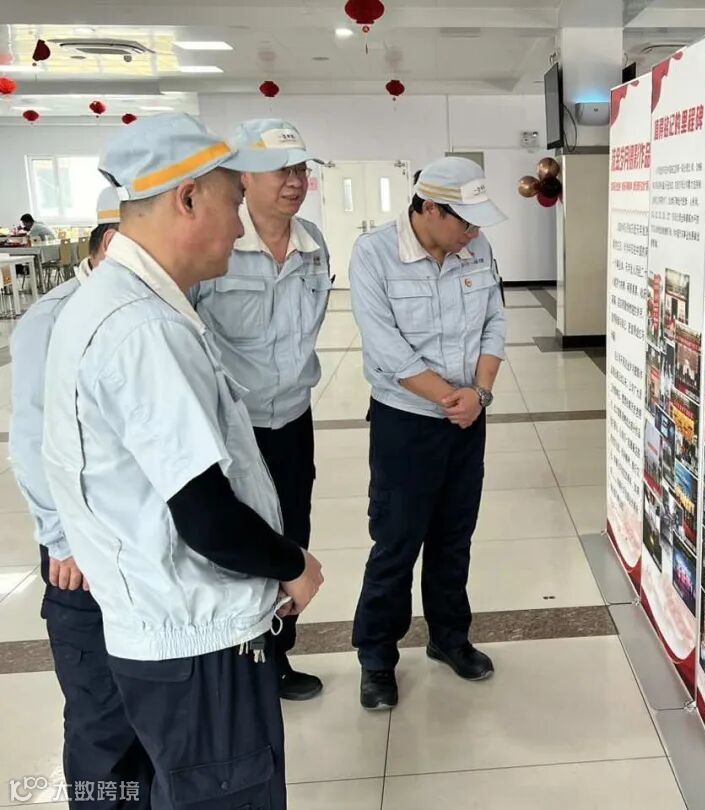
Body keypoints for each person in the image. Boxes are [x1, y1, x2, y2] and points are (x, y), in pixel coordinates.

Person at [41, 113, 325, 809]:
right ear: (188, 198)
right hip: (196, 641)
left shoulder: (116, 299)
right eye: (233, 202)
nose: (238, 225)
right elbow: (206, 515)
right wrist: (293, 563)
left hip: (163, 625)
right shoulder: (144, 330)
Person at [10, 188, 155, 806]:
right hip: (84, 552)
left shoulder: (157, 303)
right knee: (102, 720)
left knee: (151, 711)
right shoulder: (53, 318)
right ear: (110, 243)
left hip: (144, 545)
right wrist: (61, 539)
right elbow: (33, 439)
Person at [349, 156, 507, 711]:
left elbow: (495, 321)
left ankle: (449, 637)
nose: (475, 232)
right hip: (406, 422)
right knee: (396, 541)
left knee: (454, 535)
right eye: (466, 220)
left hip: (468, 417)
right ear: (431, 209)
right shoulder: (374, 253)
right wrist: (448, 397)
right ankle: (376, 658)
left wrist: (478, 394)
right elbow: (385, 346)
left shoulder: (477, 248)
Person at [189, 119, 330, 702]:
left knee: (292, 533)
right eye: (280, 170)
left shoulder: (313, 244)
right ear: (244, 176)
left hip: (293, 419)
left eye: (300, 169)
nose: (294, 181)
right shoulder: (216, 244)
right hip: (233, 426)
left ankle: (277, 657)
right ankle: (234, 661)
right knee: (238, 538)